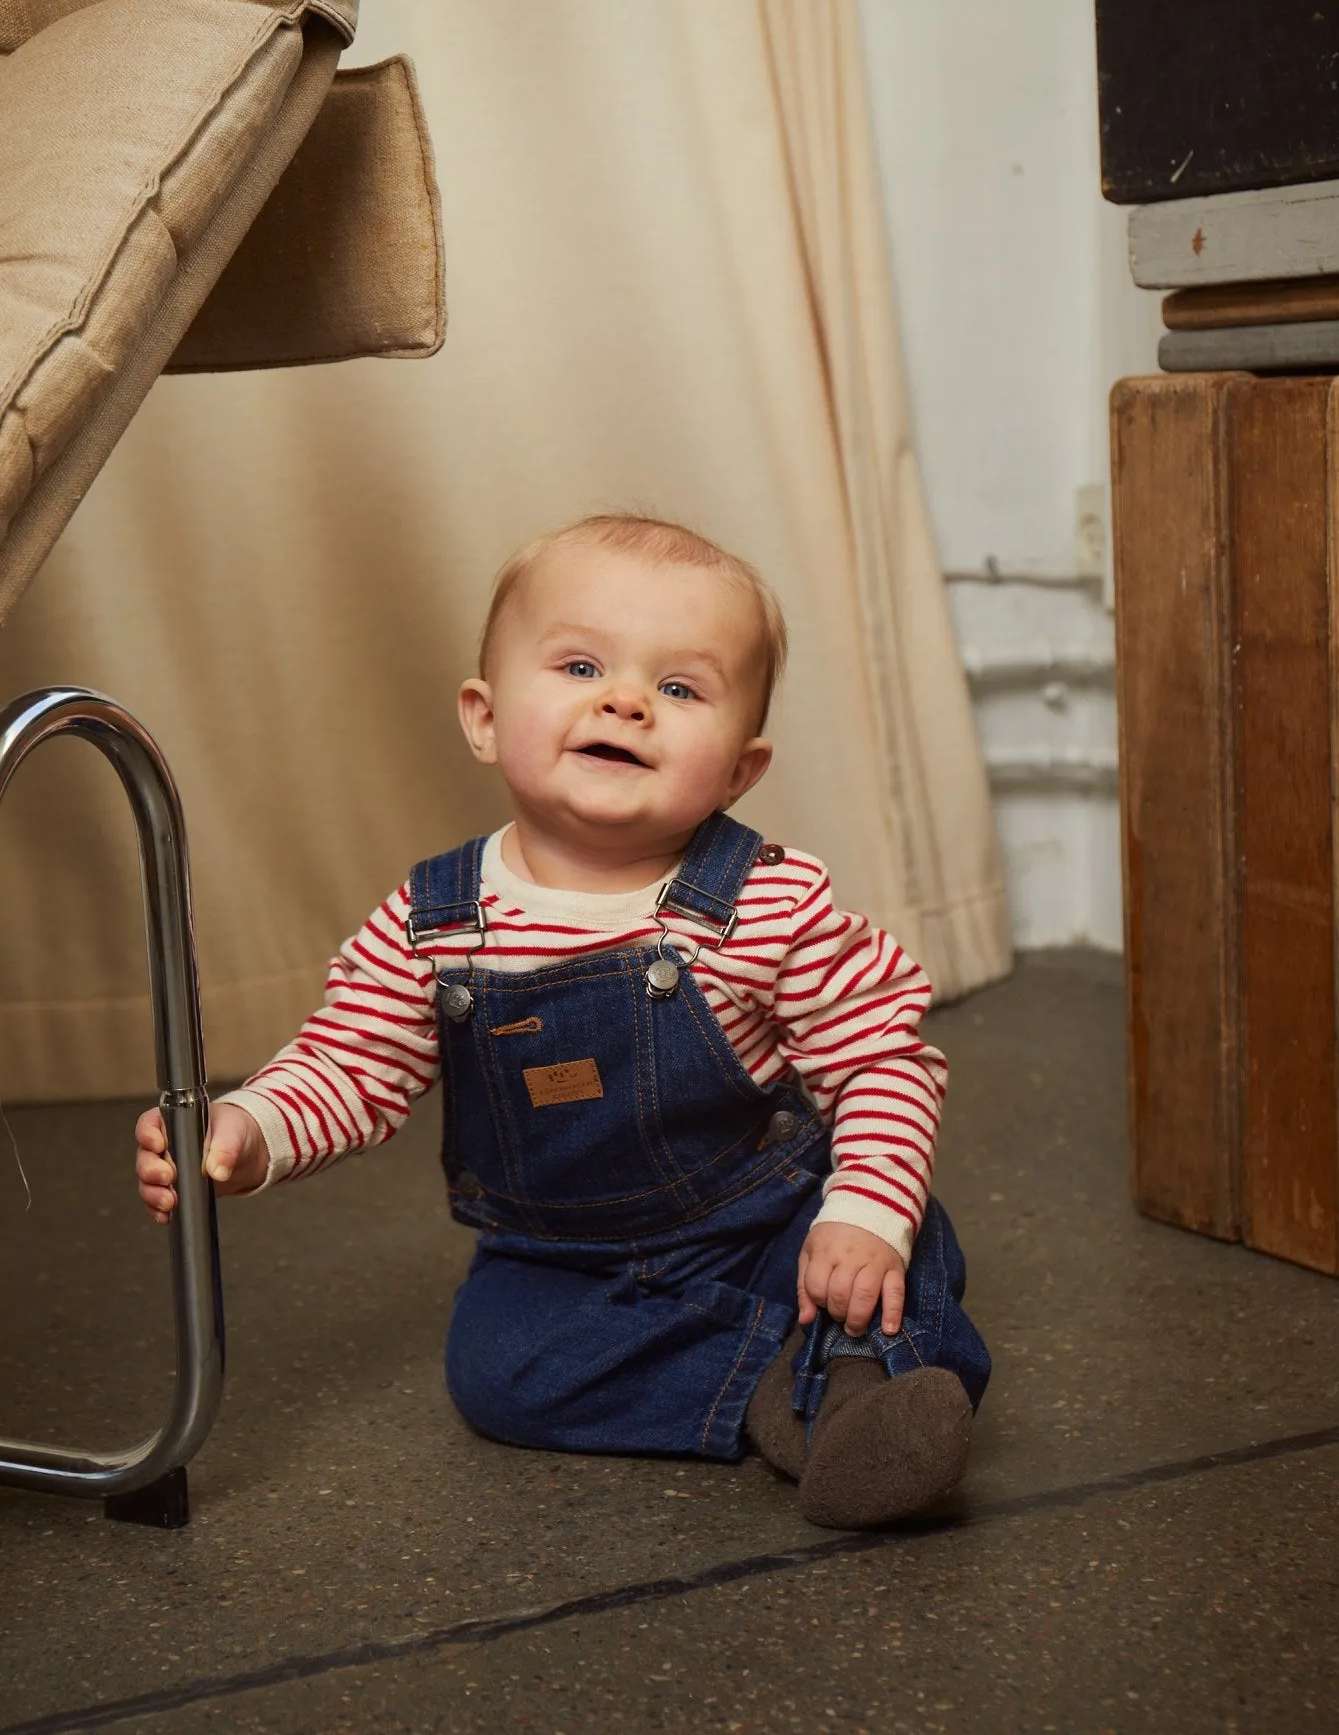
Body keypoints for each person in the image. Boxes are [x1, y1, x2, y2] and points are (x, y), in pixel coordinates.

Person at [134, 513, 990, 1527]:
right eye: (581, 664)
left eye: (679, 688)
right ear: (485, 716)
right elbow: (349, 1065)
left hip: (756, 1221)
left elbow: (882, 1063)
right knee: (499, 1370)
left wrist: (864, 1215)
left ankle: (859, 1382)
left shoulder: (765, 900)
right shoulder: (434, 918)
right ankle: (794, 1392)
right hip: (558, 1257)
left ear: (739, 769)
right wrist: (249, 1129)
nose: (625, 700)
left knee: (902, 1243)